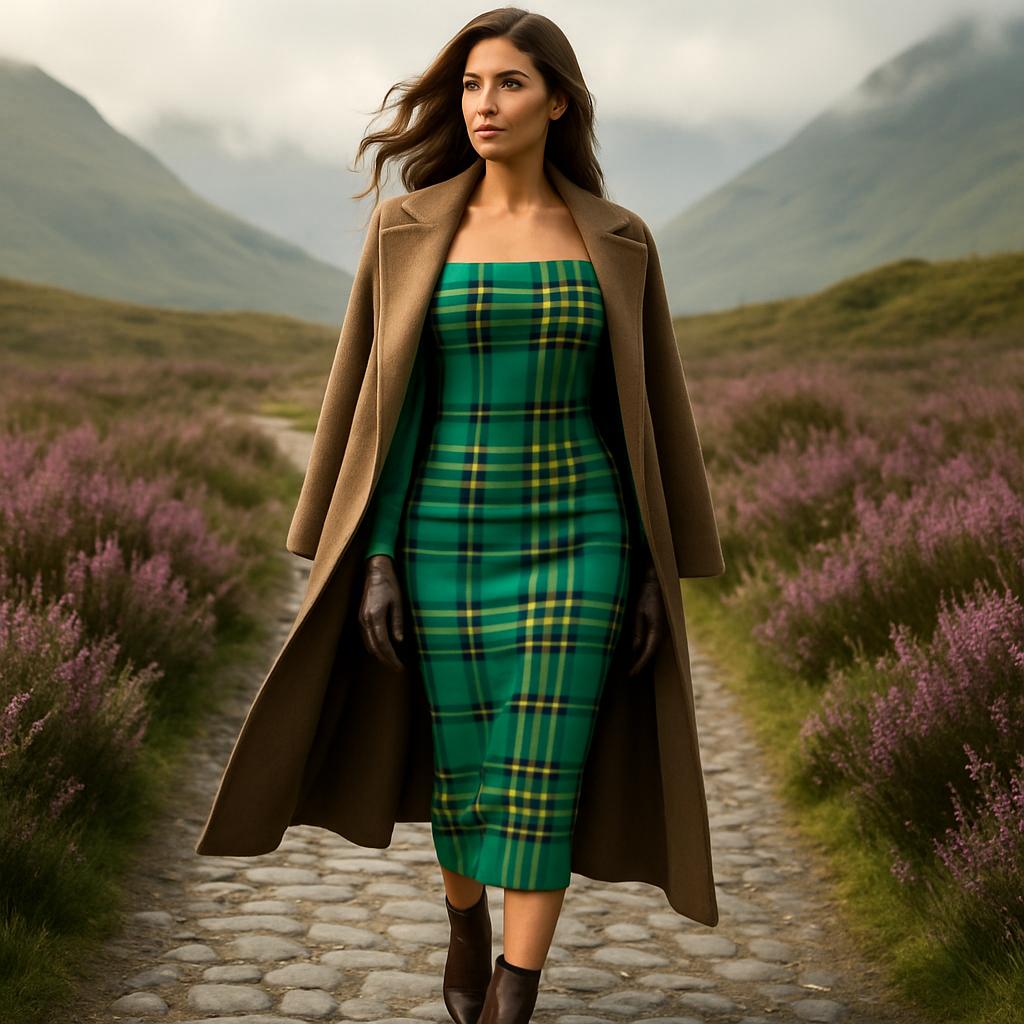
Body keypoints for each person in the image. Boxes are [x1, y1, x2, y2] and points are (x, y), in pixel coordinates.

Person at [351, 9, 666, 1024]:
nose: (483, 105)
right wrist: (382, 553)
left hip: (581, 536)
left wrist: (654, 568)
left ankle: (513, 997)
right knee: (467, 765)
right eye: (471, 86)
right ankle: (462, 919)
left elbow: (639, 417)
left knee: (542, 767)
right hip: (444, 533)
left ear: (557, 100)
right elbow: (390, 411)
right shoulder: (408, 229)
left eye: (509, 85)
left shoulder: (616, 238)